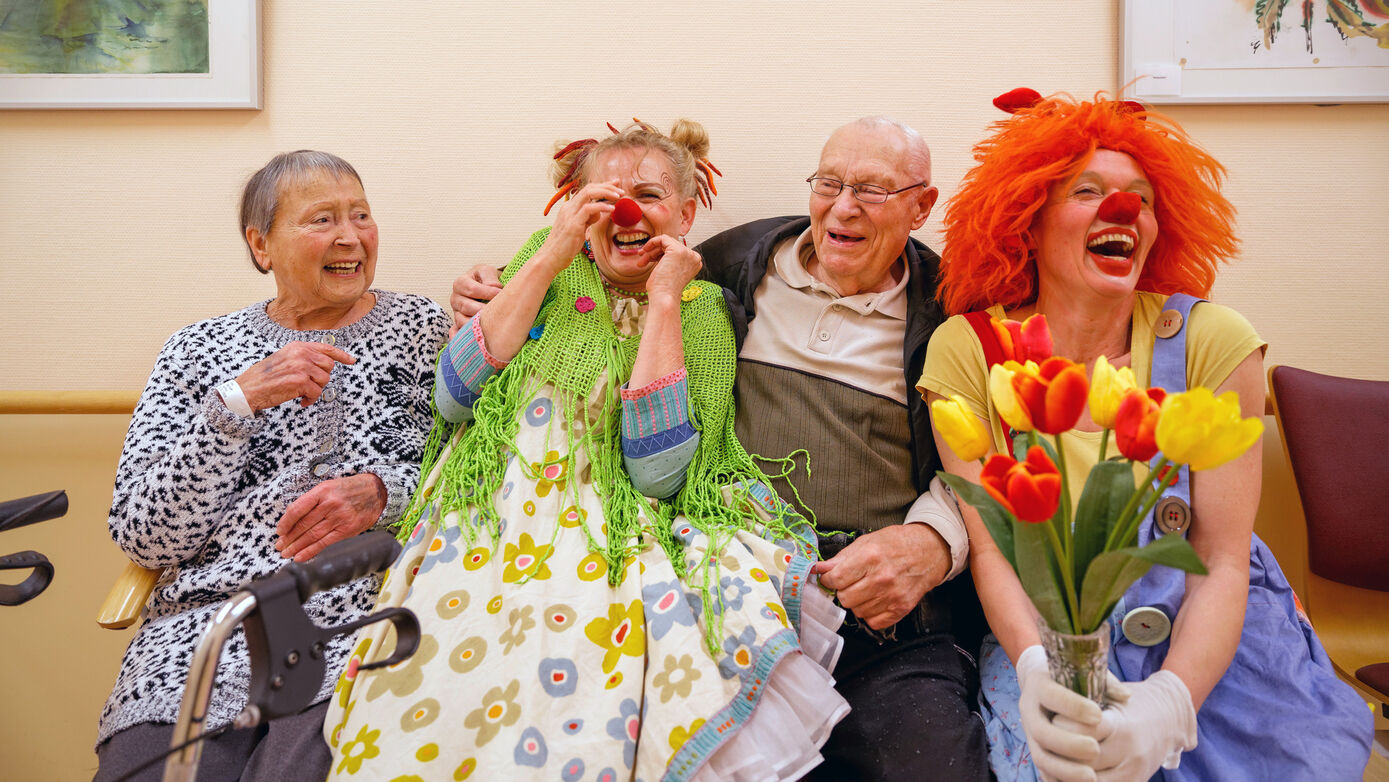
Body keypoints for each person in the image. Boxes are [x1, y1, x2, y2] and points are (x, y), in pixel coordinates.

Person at [453, 117, 992, 781]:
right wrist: (499, 293)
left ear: (921, 205)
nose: (842, 207)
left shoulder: (955, 312)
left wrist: (935, 543)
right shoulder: (732, 267)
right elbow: (611, 301)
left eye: (873, 191)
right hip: (735, 589)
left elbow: (992, 457)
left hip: (883, 619)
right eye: (828, 183)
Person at [323, 120, 848, 781]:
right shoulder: (545, 257)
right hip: (487, 513)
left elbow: (657, 475)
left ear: (685, 214)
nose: (625, 210)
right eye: (606, 194)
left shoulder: (702, 310)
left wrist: (662, 305)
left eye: (650, 195)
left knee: (571, 688)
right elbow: (455, 398)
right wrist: (549, 254)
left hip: (608, 525)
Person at [920, 90, 1373, 781]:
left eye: (1142, 197)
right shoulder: (969, 350)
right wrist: (1041, 669)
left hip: (1220, 645)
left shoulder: (1210, 341)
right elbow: (993, 550)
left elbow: (1222, 560)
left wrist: (1170, 702)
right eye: (1086, 191)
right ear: (1026, 220)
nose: (1124, 210)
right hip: (1049, 647)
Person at [92, 150, 451, 782]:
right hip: (200, 637)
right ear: (262, 245)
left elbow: (475, 472)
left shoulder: (427, 329)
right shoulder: (198, 348)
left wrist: (383, 495)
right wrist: (237, 405)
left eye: (360, 215)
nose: (350, 236)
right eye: (321, 219)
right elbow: (144, 534)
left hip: (357, 621)